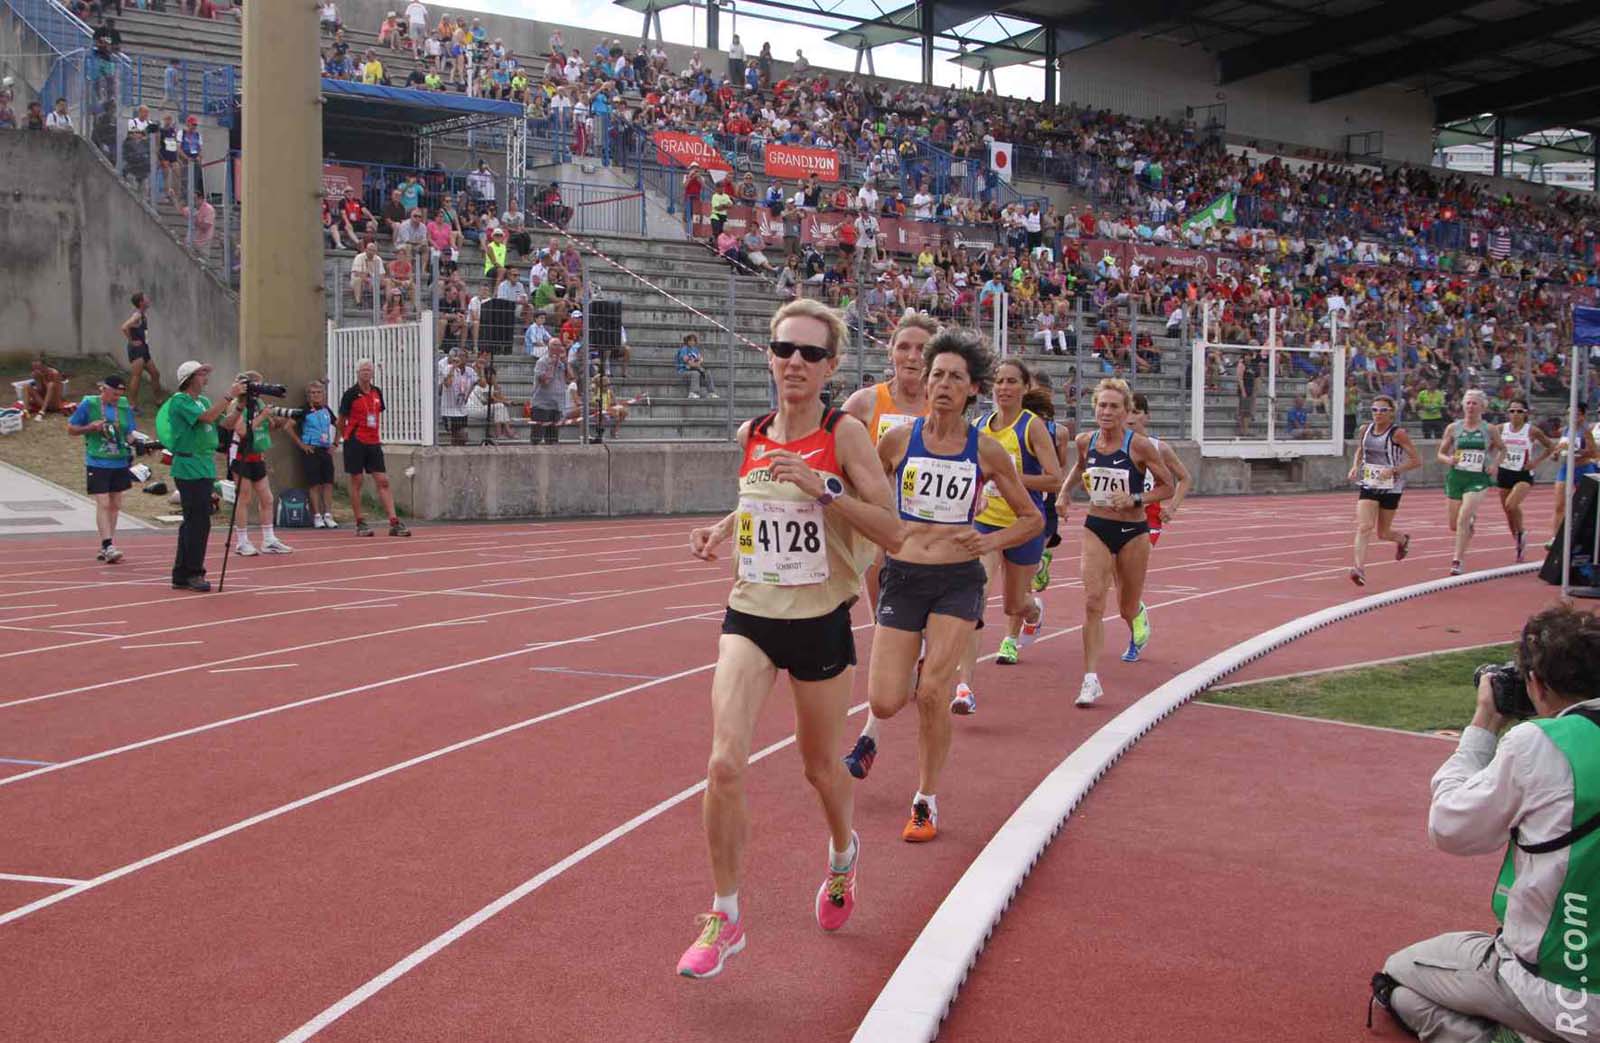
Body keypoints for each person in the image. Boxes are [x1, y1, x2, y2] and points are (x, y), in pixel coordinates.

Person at [675, 299, 903, 980]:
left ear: (831, 365)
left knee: (819, 767)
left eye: (809, 353)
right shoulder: (751, 432)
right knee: (722, 763)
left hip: (819, 620)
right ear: (769, 356)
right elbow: (759, 500)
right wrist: (723, 530)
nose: (794, 362)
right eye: (784, 349)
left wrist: (825, 486)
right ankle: (726, 915)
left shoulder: (847, 434)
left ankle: (842, 855)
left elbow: (891, 530)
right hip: (751, 613)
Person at [1373, 604, 1600, 1043]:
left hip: (1559, 990)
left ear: (1534, 682)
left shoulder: (1540, 744)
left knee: (1398, 980)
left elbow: (1451, 828)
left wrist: (1484, 722)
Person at [859, 329, 1039, 844]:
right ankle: (920, 664)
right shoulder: (897, 441)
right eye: (936, 373)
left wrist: (987, 543)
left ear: (971, 390)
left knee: (935, 694)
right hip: (903, 575)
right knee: (887, 700)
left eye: (954, 377)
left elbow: (1029, 519)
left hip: (957, 579)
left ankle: (925, 801)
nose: (942, 383)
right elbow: (865, 493)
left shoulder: (985, 450)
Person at [1057, 378, 1173, 706]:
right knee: (1093, 601)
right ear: (1094, 408)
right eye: (1102, 405)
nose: (1107, 412)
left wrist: (1136, 497)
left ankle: (1137, 613)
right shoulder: (1084, 441)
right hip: (1097, 526)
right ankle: (1090, 679)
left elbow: (1166, 485)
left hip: (1133, 533)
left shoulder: (1140, 446)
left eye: (1114, 407)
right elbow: (1079, 469)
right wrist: (1065, 493)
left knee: (1125, 606)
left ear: (1125, 413)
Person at [964, 358, 1061, 673]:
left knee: (1013, 603)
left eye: (1011, 382)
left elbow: (1053, 478)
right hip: (986, 522)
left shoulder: (1031, 426)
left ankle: (1032, 612)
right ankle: (968, 672)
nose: (1004, 388)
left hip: (1024, 524)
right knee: (977, 590)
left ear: (1024, 387)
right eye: (999, 382)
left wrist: (1007, 477)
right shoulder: (979, 426)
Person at [841, 313, 935, 610]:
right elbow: (834, 455)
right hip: (877, 519)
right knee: (884, 605)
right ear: (890, 351)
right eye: (904, 347)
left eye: (922, 349)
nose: (912, 356)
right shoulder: (864, 402)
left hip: (928, 521)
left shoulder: (944, 406)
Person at [163, 362, 244, 592]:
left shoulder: (205, 401)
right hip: (188, 466)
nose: (206, 376)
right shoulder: (180, 400)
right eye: (202, 373)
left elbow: (224, 424)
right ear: (189, 378)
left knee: (195, 521)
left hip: (204, 465)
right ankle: (193, 572)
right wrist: (229, 396)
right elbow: (207, 418)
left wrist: (239, 407)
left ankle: (182, 572)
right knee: (198, 522)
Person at [1347, 394, 1422, 586]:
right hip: (1370, 484)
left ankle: (1402, 539)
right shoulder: (1365, 430)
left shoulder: (1398, 434)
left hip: (1391, 487)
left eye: (1383, 410)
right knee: (1364, 526)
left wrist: (1394, 470)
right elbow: (1360, 450)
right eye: (1374, 410)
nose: (1378, 414)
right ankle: (1358, 568)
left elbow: (1416, 460)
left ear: (1391, 414)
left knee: (1383, 533)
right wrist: (1355, 466)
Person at [67, 375, 138, 563]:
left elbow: (129, 432)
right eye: (114, 394)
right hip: (97, 460)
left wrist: (139, 444)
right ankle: (107, 544)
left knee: (115, 505)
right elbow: (71, 429)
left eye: (120, 394)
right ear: (103, 390)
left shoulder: (123, 406)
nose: (117, 398)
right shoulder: (89, 404)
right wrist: (90, 427)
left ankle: (107, 544)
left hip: (119, 460)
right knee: (103, 502)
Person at [338, 358, 411, 537]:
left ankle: (394, 521)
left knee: (383, 480)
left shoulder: (377, 392)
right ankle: (360, 522)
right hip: (355, 442)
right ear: (357, 373)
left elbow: (377, 414)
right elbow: (341, 420)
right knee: (357, 481)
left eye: (369, 370)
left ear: (372, 373)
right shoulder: (350, 394)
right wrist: (346, 436)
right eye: (363, 370)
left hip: (373, 442)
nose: (366, 373)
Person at [223, 371, 292, 556]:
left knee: (267, 498)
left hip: (257, 454)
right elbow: (242, 430)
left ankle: (269, 539)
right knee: (244, 498)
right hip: (240, 454)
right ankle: (242, 541)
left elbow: (267, 426)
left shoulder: (258, 403)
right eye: (257, 386)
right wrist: (261, 417)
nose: (259, 391)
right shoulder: (236, 405)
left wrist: (275, 418)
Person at [1438, 389, 1504, 576]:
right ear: (1462, 405)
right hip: (1456, 477)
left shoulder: (1489, 429)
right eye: (1468, 403)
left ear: (1483, 406)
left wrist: (1495, 465)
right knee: (1454, 524)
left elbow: (1502, 449)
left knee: (1463, 517)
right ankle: (1469, 524)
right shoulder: (1453, 428)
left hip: (1478, 479)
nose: (1470, 406)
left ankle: (1457, 560)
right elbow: (1441, 453)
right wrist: (1448, 459)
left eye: (1475, 403)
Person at [1495, 398, 1556, 563]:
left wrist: (1535, 462)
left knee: (1511, 504)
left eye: (1519, 411)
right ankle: (1518, 540)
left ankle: (1521, 531)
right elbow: (1488, 442)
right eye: (1512, 411)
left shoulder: (1532, 431)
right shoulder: (1501, 429)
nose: (1515, 414)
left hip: (1523, 474)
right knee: (1507, 512)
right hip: (1504, 472)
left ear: (1525, 413)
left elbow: (1550, 446)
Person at [288, 381, 340, 528]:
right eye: (312, 393)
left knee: (328, 483)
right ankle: (317, 516)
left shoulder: (326, 409)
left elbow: (339, 425)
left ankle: (328, 514)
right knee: (314, 484)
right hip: (311, 450)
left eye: (318, 392)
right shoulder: (303, 410)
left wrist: (335, 443)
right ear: (308, 395)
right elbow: (288, 426)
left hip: (325, 450)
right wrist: (301, 444)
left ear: (323, 394)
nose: (316, 395)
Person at [1549, 401, 1598, 551]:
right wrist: (1555, 454)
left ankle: (1586, 539)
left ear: (1583, 416)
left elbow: (1594, 453)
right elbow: (1557, 450)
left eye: (1576, 414)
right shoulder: (1565, 430)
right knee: (1559, 505)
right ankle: (1555, 538)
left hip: (1583, 469)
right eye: (1569, 414)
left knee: (1586, 507)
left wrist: (1576, 449)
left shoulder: (1586, 431)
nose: (1572, 417)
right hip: (1565, 468)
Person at [120, 292, 163, 406]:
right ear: (141, 302)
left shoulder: (142, 315)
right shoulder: (137, 315)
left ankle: (159, 400)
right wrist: (132, 341)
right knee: (136, 376)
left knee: (155, 374)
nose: (148, 299)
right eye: (146, 298)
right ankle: (132, 405)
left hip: (144, 349)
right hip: (137, 350)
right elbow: (124, 327)